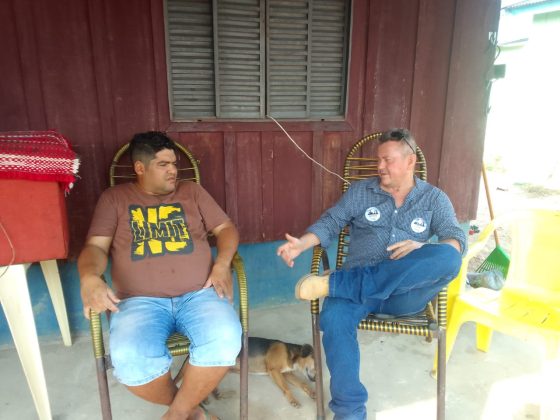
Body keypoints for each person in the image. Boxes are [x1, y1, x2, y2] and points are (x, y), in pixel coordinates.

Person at [277, 128, 466, 420]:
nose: (380, 166)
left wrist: (422, 246)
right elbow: (332, 221)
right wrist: (301, 244)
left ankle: (335, 283)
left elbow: (456, 238)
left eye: (388, 160)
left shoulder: (434, 199)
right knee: (335, 319)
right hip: (356, 290)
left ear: (410, 161)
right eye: (378, 160)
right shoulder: (361, 192)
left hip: (403, 295)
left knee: (450, 257)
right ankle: (350, 413)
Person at [78, 131, 241, 420]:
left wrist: (222, 263)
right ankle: (190, 412)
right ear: (140, 168)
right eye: (163, 164)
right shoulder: (115, 198)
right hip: (139, 302)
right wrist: (89, 277)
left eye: (174, 164)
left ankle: (177, 414)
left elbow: (226, 228)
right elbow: (95, 247)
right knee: (130, 358)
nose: (173, 170)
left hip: (200, 294)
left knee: (225, 337)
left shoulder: (192, 192)